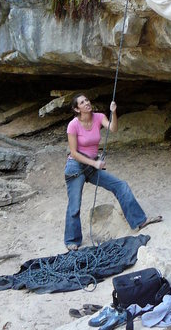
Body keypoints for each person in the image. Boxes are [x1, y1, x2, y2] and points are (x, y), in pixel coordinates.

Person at [64, 93, 162, 250]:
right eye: (82, 102)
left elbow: (114, 128)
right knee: (75, 205)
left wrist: (113, 112)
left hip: (93, 166)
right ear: (77, 108)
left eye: (87, 100)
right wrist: (95, 163)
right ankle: (72, 241)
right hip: (75, 166)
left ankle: (139, 221)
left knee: (120, 185)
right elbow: (74, 153)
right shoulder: (73, 125)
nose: (87, 103)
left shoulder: (98, 117)